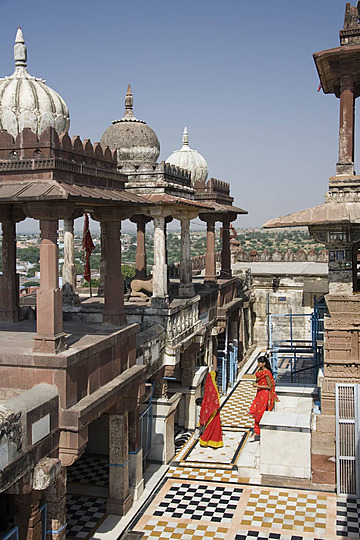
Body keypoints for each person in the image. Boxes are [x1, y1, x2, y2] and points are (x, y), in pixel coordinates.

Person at [249, 356, 278, 437]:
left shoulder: (266, 373)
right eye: (258, 362)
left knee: (260, 411)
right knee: (256, 410)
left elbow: (269, 386)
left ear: (264, 363)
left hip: (264, 394)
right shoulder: (260, 371)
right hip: (259, 393)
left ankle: (259, 430)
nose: (258, 364)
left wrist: (257, 385)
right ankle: (256, 430)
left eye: (260, 363)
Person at [199, 371, 223, 448]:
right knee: (211, 426)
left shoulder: (210, 386)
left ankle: (213, 442)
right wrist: (216, 408)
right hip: (213, 411)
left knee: (214, 427)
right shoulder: (212, 388)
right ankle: (204, 440)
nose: (217, 378)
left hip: (213, 410)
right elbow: (213, 399)